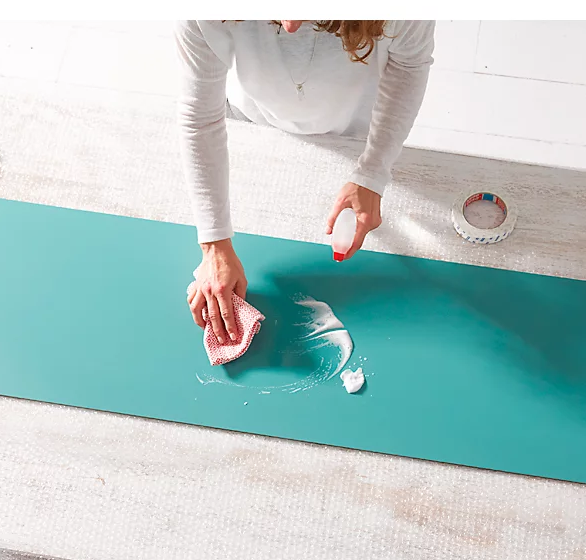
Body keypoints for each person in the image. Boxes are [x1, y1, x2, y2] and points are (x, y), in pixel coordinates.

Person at [175, 19, 435, 344]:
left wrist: (373, 171)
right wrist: (214, 246)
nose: (291, 25)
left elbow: (409, 66)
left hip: (351, 130)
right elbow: (200, 117)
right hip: (256, 125)